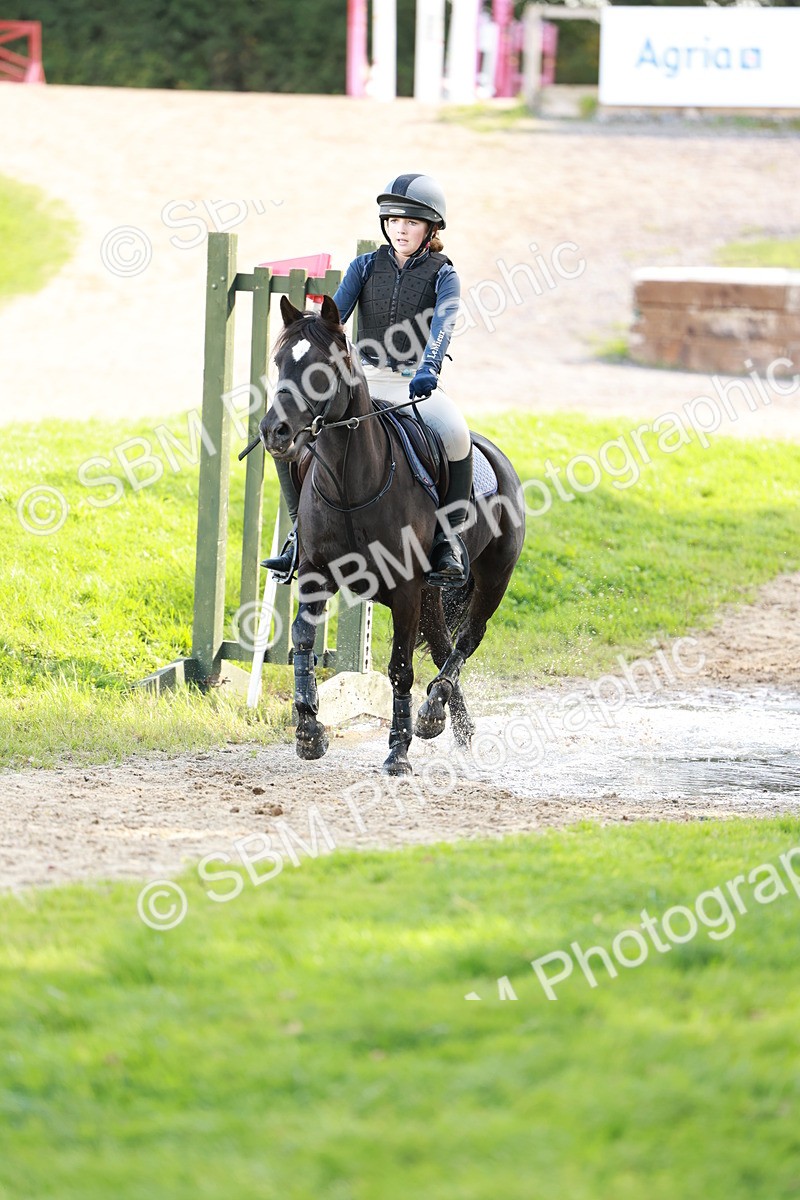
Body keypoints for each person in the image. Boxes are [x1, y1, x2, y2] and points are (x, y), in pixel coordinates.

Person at [263, 172, 472, 587]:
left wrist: (430, 367)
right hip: (363, 380)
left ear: (431, 229)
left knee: (456, 433)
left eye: (411, 222)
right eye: (394, 221)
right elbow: (332, 323)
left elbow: (443, 324)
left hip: (415, 381)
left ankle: (449, 539)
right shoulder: (364, 266)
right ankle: (298, 536)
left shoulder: (444, 274)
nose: (401, 229)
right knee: (294, 437)